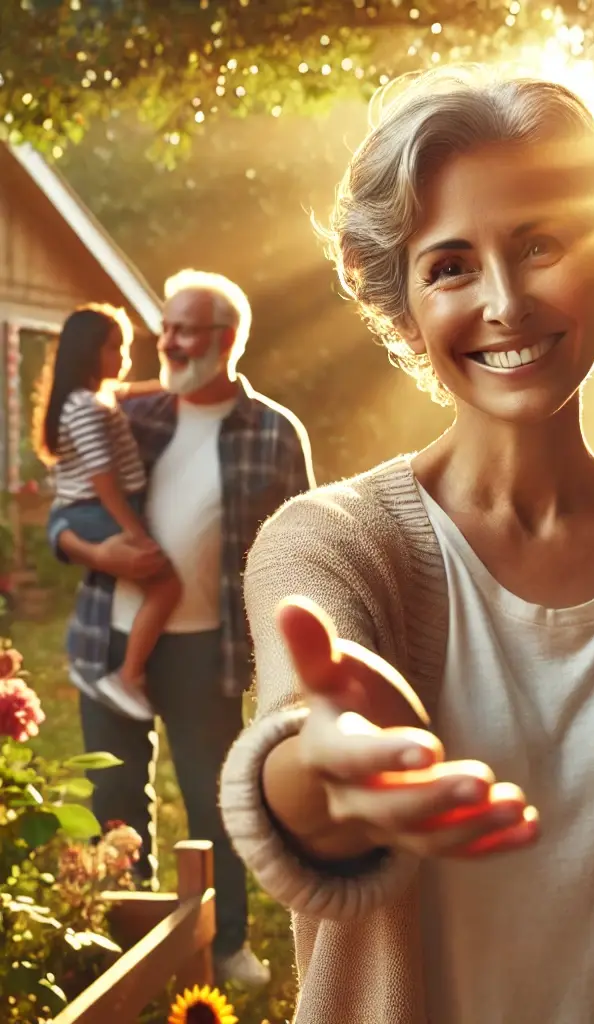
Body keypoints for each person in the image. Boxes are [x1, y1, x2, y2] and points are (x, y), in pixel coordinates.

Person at [219, 68, 594, 1024]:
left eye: (539, 246)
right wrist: (326, 766)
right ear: (403, 306)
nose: (505, 301)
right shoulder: (331, 545)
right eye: (450, 266)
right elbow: (298, 744)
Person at [51, 270, 315, 988]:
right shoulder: (128, 416)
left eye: (186, 329)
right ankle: (124, 943)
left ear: (227, 340)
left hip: (207, 651)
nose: (167, 340)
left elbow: (298, 548)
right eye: (164, 326)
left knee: (212, 799)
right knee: (114, 801)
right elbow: (63, 514)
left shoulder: (273, 431)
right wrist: (95, 549)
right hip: (110, 641)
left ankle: (223, 941)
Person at [36, 304, 181, 721]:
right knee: (166, 583)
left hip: (95, 508)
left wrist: (174, 385)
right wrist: (133, 531)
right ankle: (128, 675)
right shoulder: (85, 408)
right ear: (88, 351)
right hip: (98, 509)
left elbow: (127, 391)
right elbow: (104, 480)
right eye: (115, 347)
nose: (124, 356)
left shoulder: (92, 396)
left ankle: (130, 668)